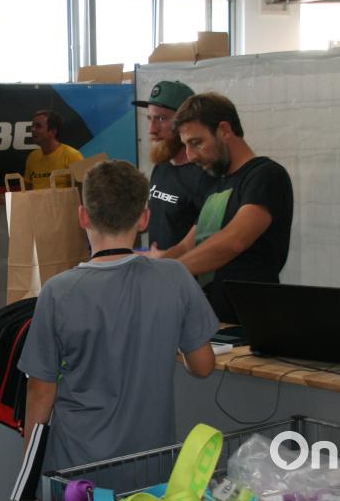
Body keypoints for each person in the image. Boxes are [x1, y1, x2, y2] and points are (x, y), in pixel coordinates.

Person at [19, 160, 218, 472]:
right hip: (151, 463)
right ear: (144, 218)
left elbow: (40, 392)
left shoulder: (59, 291)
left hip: (78, 468)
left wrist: (29, 465)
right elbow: (203, 366)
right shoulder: (176, 277)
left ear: (83, 216)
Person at [158, 92, 294, 323]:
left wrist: (169, 273)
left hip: (253, 322)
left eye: (196, 143)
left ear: (224, 130)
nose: (190, 156)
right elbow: (187, 245)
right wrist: (147, 270)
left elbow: (234, 240)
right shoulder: (214, 184)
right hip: (214, 321)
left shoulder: (266, 176)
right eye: (186, 146)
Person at [133, 80, 216, 250]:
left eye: (161, 118)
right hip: (159, 272)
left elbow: (209, 240)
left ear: (187, 123)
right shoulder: (162, 166)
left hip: (188, 274)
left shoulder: (205, 175)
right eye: (149, 118)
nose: (151, 129)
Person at [24, 109, 83, 189]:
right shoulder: (32, 157)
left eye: (38, 126)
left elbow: (84, 189)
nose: (33, 129)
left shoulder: (73, 155)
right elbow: (27, 188)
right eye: (33, 126)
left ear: (53, 131)